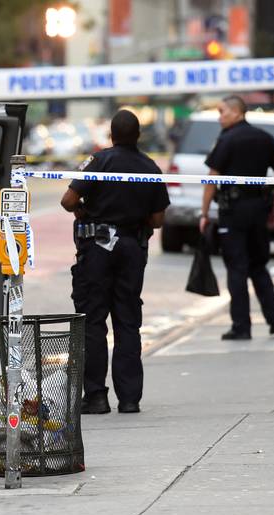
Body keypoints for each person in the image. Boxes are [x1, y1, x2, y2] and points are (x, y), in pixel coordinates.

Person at [60, 110, 170, 415]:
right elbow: (159, 219)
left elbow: (68, 201)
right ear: (138, 136)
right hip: (133, 248)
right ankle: (130, 399)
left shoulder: (99, 161)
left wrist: (85, 212)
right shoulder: (150, 167)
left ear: (111, 134)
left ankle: (95, 396)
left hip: (97, 248)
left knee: (93, 321)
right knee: (128, 322)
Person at [199, 95, 274, 340]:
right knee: (259, 266)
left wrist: (204, 213)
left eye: (222, 112)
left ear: (237, 112)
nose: (220, 117)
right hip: (259, 210)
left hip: (233, 213)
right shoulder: (265, 138)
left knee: (237, 269)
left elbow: (211, 179)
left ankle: (241, 326)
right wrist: (272, 206)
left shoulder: (227, 140)